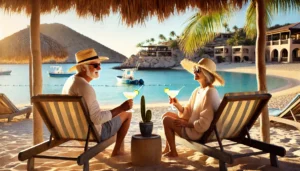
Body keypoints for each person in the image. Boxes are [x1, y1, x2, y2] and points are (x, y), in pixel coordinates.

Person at [62, 48, 132, 157]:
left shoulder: (71, 81)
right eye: (95, 65)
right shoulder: (85, 87)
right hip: (90, 133)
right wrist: (122, 108)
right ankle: (117, 151)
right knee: (127, 114)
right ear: (84, 68)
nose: (99, 68)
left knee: (112, 113)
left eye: (99, 64)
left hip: (74, 130)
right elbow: (97, 119)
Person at [161, 58, 225, 157]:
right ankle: (168, 148)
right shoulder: (198, 90)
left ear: (206, 74)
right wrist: (177, 105)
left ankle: (173, 152)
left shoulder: (210, 92)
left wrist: (186, 124)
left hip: (196, 132)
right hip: (192, 126)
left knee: (166, 120)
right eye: (195, 69)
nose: (194, 71)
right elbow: (188, 112)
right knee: (167, 115)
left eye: (198, 70)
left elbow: (204, 124)